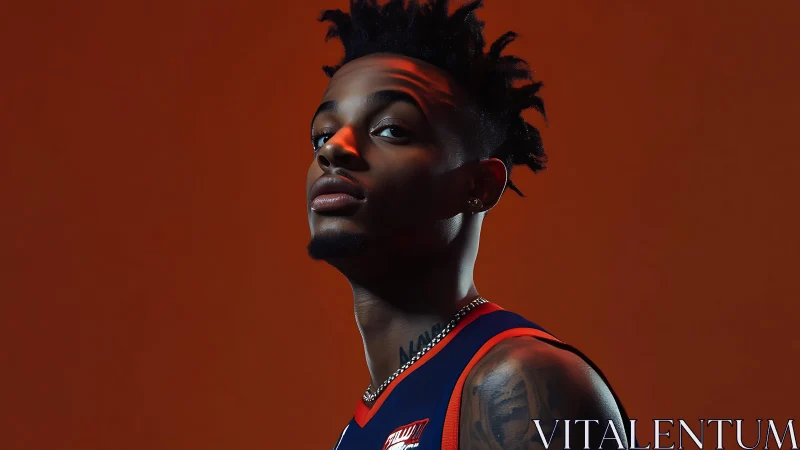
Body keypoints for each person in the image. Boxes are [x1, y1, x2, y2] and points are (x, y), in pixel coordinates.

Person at [305, 1, 635, 448]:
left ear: (479, 185)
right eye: (322, 135)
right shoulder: (366, 421)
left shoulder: (516, 386)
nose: (333, 150)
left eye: (391, 129)